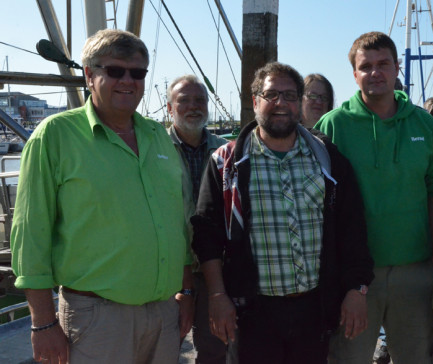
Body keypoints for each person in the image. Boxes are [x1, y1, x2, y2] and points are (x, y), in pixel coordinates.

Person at [10, 29, 193, 364]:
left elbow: (176, 222)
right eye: (115, 71)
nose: (128, 80)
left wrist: (186, 291)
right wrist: (42, 322)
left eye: (137, 73)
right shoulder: (55, 136)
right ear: (89, 75)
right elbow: (30, 235)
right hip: (97, 318)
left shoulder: (158, 136)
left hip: (164, 314)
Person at [191, 62, 374, 364]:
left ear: (300, 103)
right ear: (255, 101)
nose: (281, 103)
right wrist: (216, 296)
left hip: (314, 310)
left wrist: (357, 289)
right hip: (251, 313)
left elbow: (352, 228)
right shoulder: (226, 163)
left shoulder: (328, 158)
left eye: (290, 96)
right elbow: (207, 234)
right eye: (271, 94)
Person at [315, 31, 433, 364]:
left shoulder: (425, 124)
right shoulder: (333, 125)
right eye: (366, 66)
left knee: (416, 357)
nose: (375, 72)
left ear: (397, 67)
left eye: (383, 64)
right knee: (349, 358)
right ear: (355, 74)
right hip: (355, 275)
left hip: (415, 269)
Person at [166, 74, 228, 364]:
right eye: (184, 100)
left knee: (215, 347)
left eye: (200, 100)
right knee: (163, 345)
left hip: (213, 267)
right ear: (169, 108)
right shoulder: (153, 150)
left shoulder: (227, 150)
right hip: (166, 269)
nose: (194, 106)